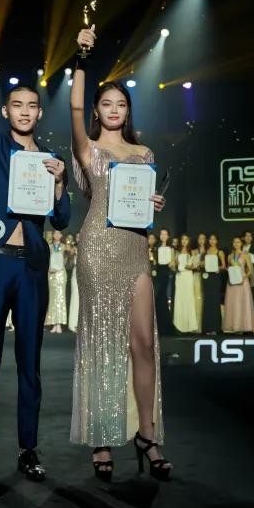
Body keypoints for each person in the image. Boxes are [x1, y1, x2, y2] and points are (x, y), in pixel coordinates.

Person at [0, 20, 71, 488]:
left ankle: (28, 449)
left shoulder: (50, 159)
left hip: (32, 270)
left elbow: (61, 220)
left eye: (32, 106)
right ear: (6, 111)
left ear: (40, 114)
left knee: (30, 363)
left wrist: (60, 182)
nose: (25, 111)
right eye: (17, 105)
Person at [69, 24, 172, 482]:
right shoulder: (88, 148)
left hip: (135, 249)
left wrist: (153, 203)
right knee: (101, 345)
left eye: (121, 104)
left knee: (143, 343)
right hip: (97, 248)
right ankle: (102, 438)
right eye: (106, 104)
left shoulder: (143, 152)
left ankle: (147, 435)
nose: (114, 110)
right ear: (96, 110)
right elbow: (73, 106)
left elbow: (141, 206)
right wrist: (81, 59)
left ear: (128, 111)